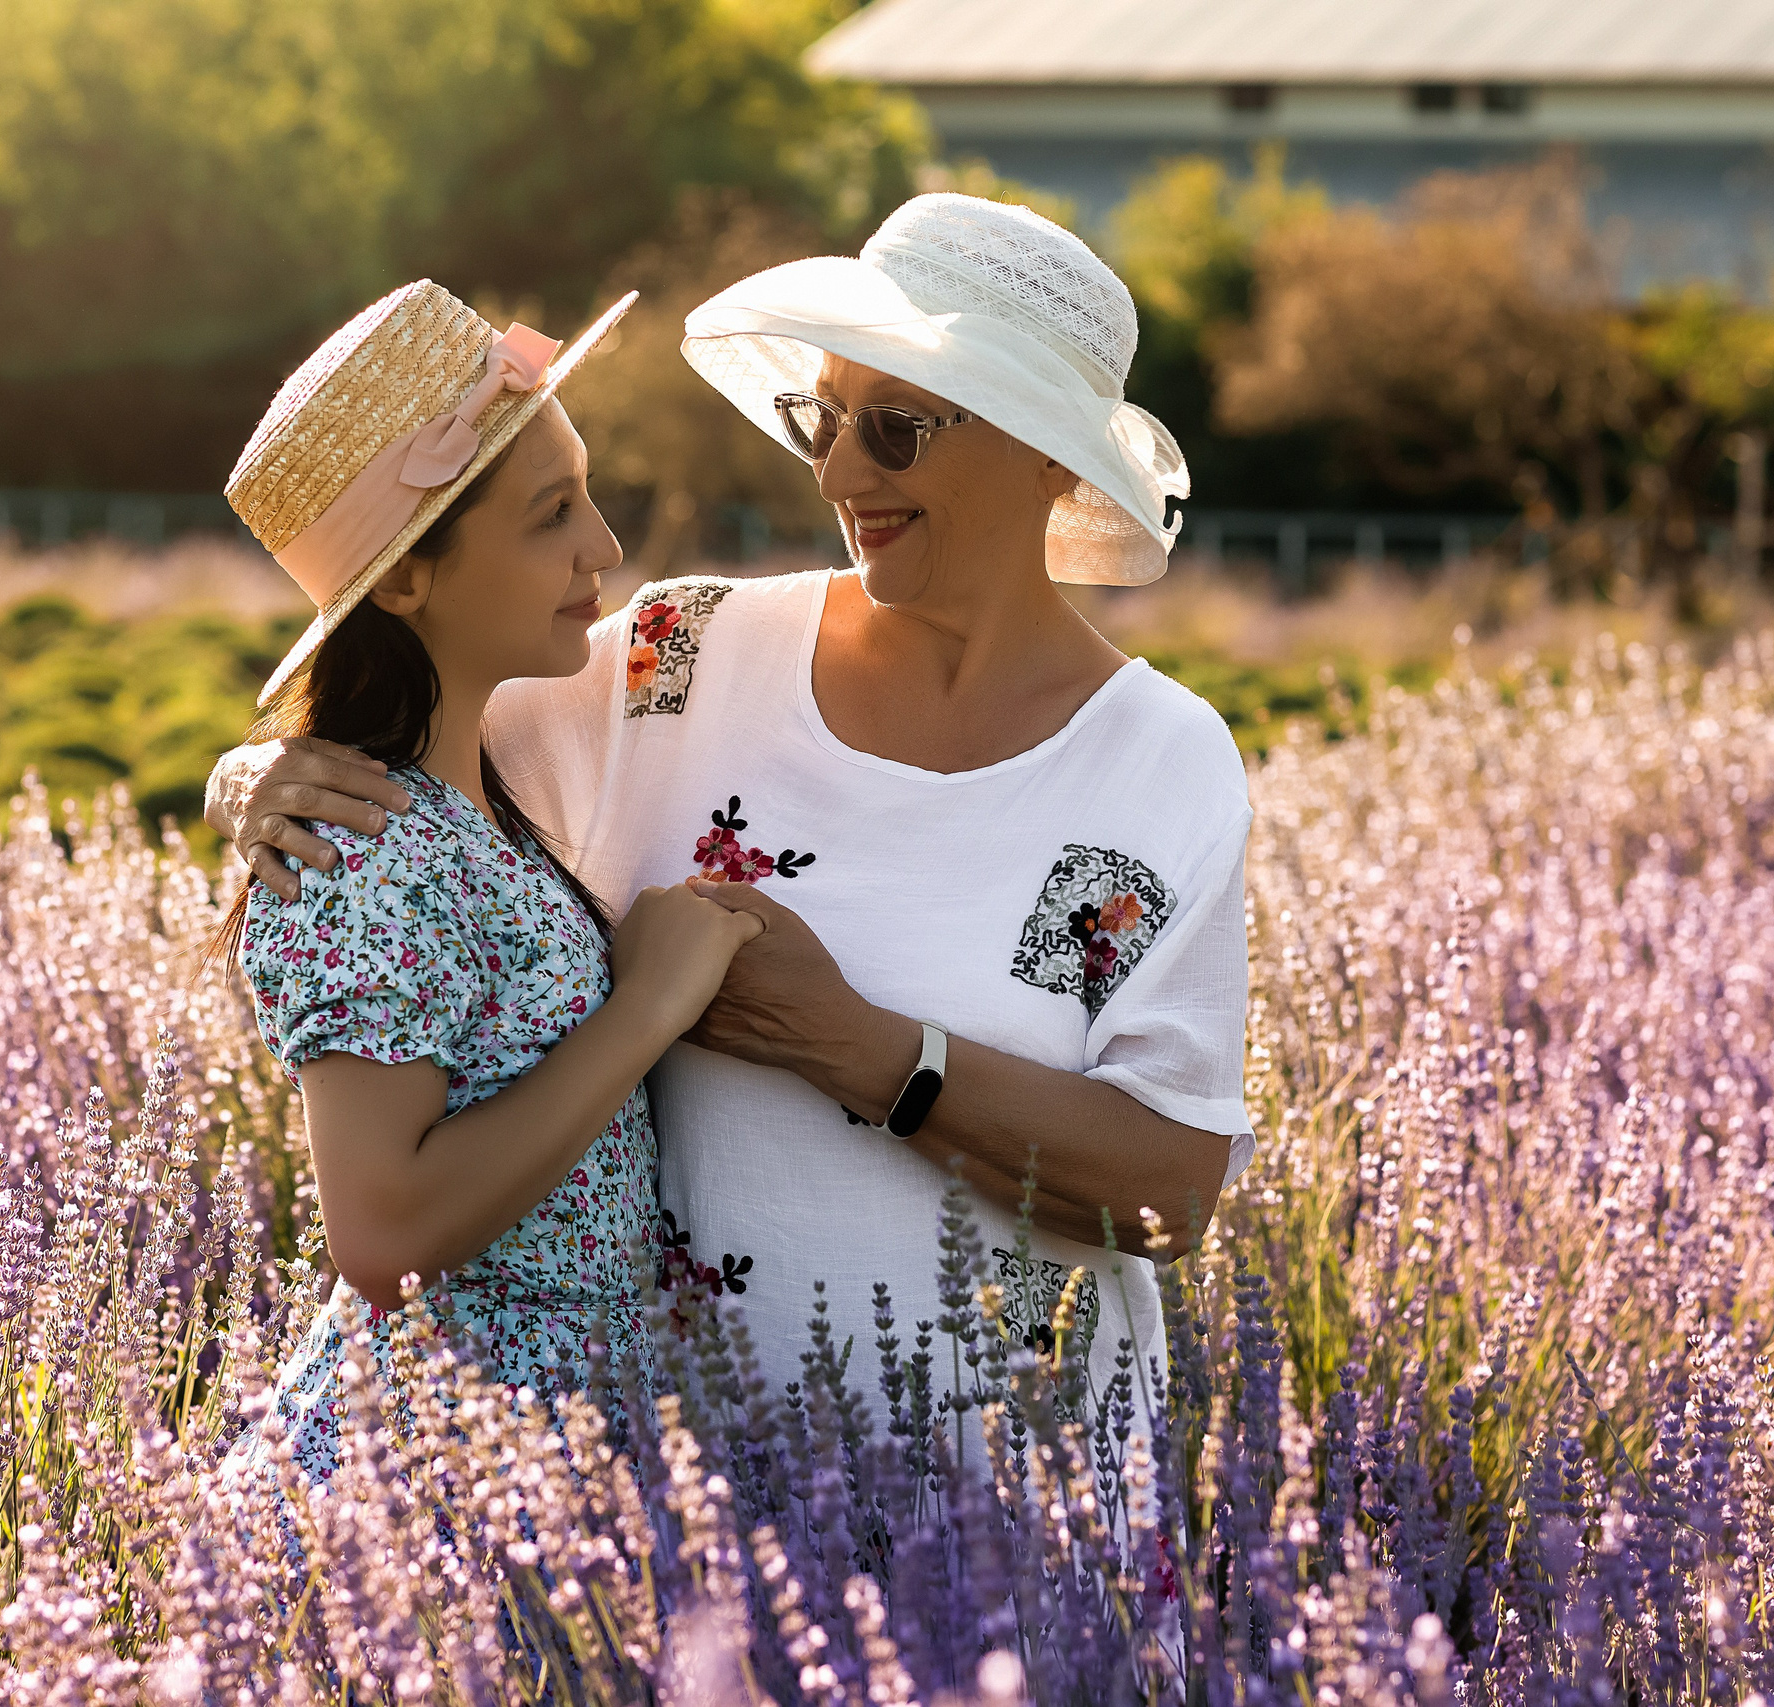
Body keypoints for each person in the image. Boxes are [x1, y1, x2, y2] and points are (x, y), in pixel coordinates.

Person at [209, 196, 1256, 1423]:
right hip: (698, 1503)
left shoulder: (1157, 763)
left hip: (1017, 1518)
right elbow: (410, 730)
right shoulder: (682, 657)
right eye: (823, 418)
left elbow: (1168, 1197)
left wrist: (858, 1047)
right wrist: (258, 777)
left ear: (1046, 455)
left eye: (898, 429)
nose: (836, 469)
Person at [213, 279, 762, 1472]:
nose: (604, 548)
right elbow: (382, 1230)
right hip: (438, 1473)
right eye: (550, 515)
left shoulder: (471, 799)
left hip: (546, 1445)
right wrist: (645, 1010)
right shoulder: (354, 845)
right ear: (406, 581)